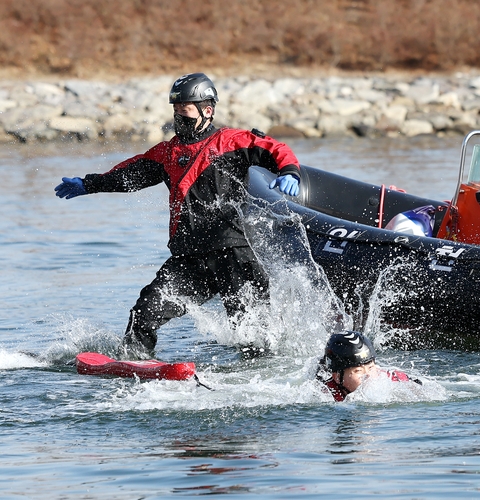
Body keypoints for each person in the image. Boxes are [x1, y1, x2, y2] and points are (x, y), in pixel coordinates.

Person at [54, 72, 303, 357]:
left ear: (207, 110)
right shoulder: (166, 153)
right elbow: (128, 174)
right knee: (144, 312)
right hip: (189, 258)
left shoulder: (231, 141)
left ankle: (261, 379)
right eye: (175, 111)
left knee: (254, 337)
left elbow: (276, 149)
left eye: (184, 111)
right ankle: (133, 361)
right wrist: (89, 184)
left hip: (235, 255)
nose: (178, 118)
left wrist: (289, 172)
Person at [318, 330, 419, 402]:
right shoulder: (325, 394)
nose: (368, 375)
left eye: (370, 367)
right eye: (358, 371)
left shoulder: (389, 378)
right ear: (337, 377)